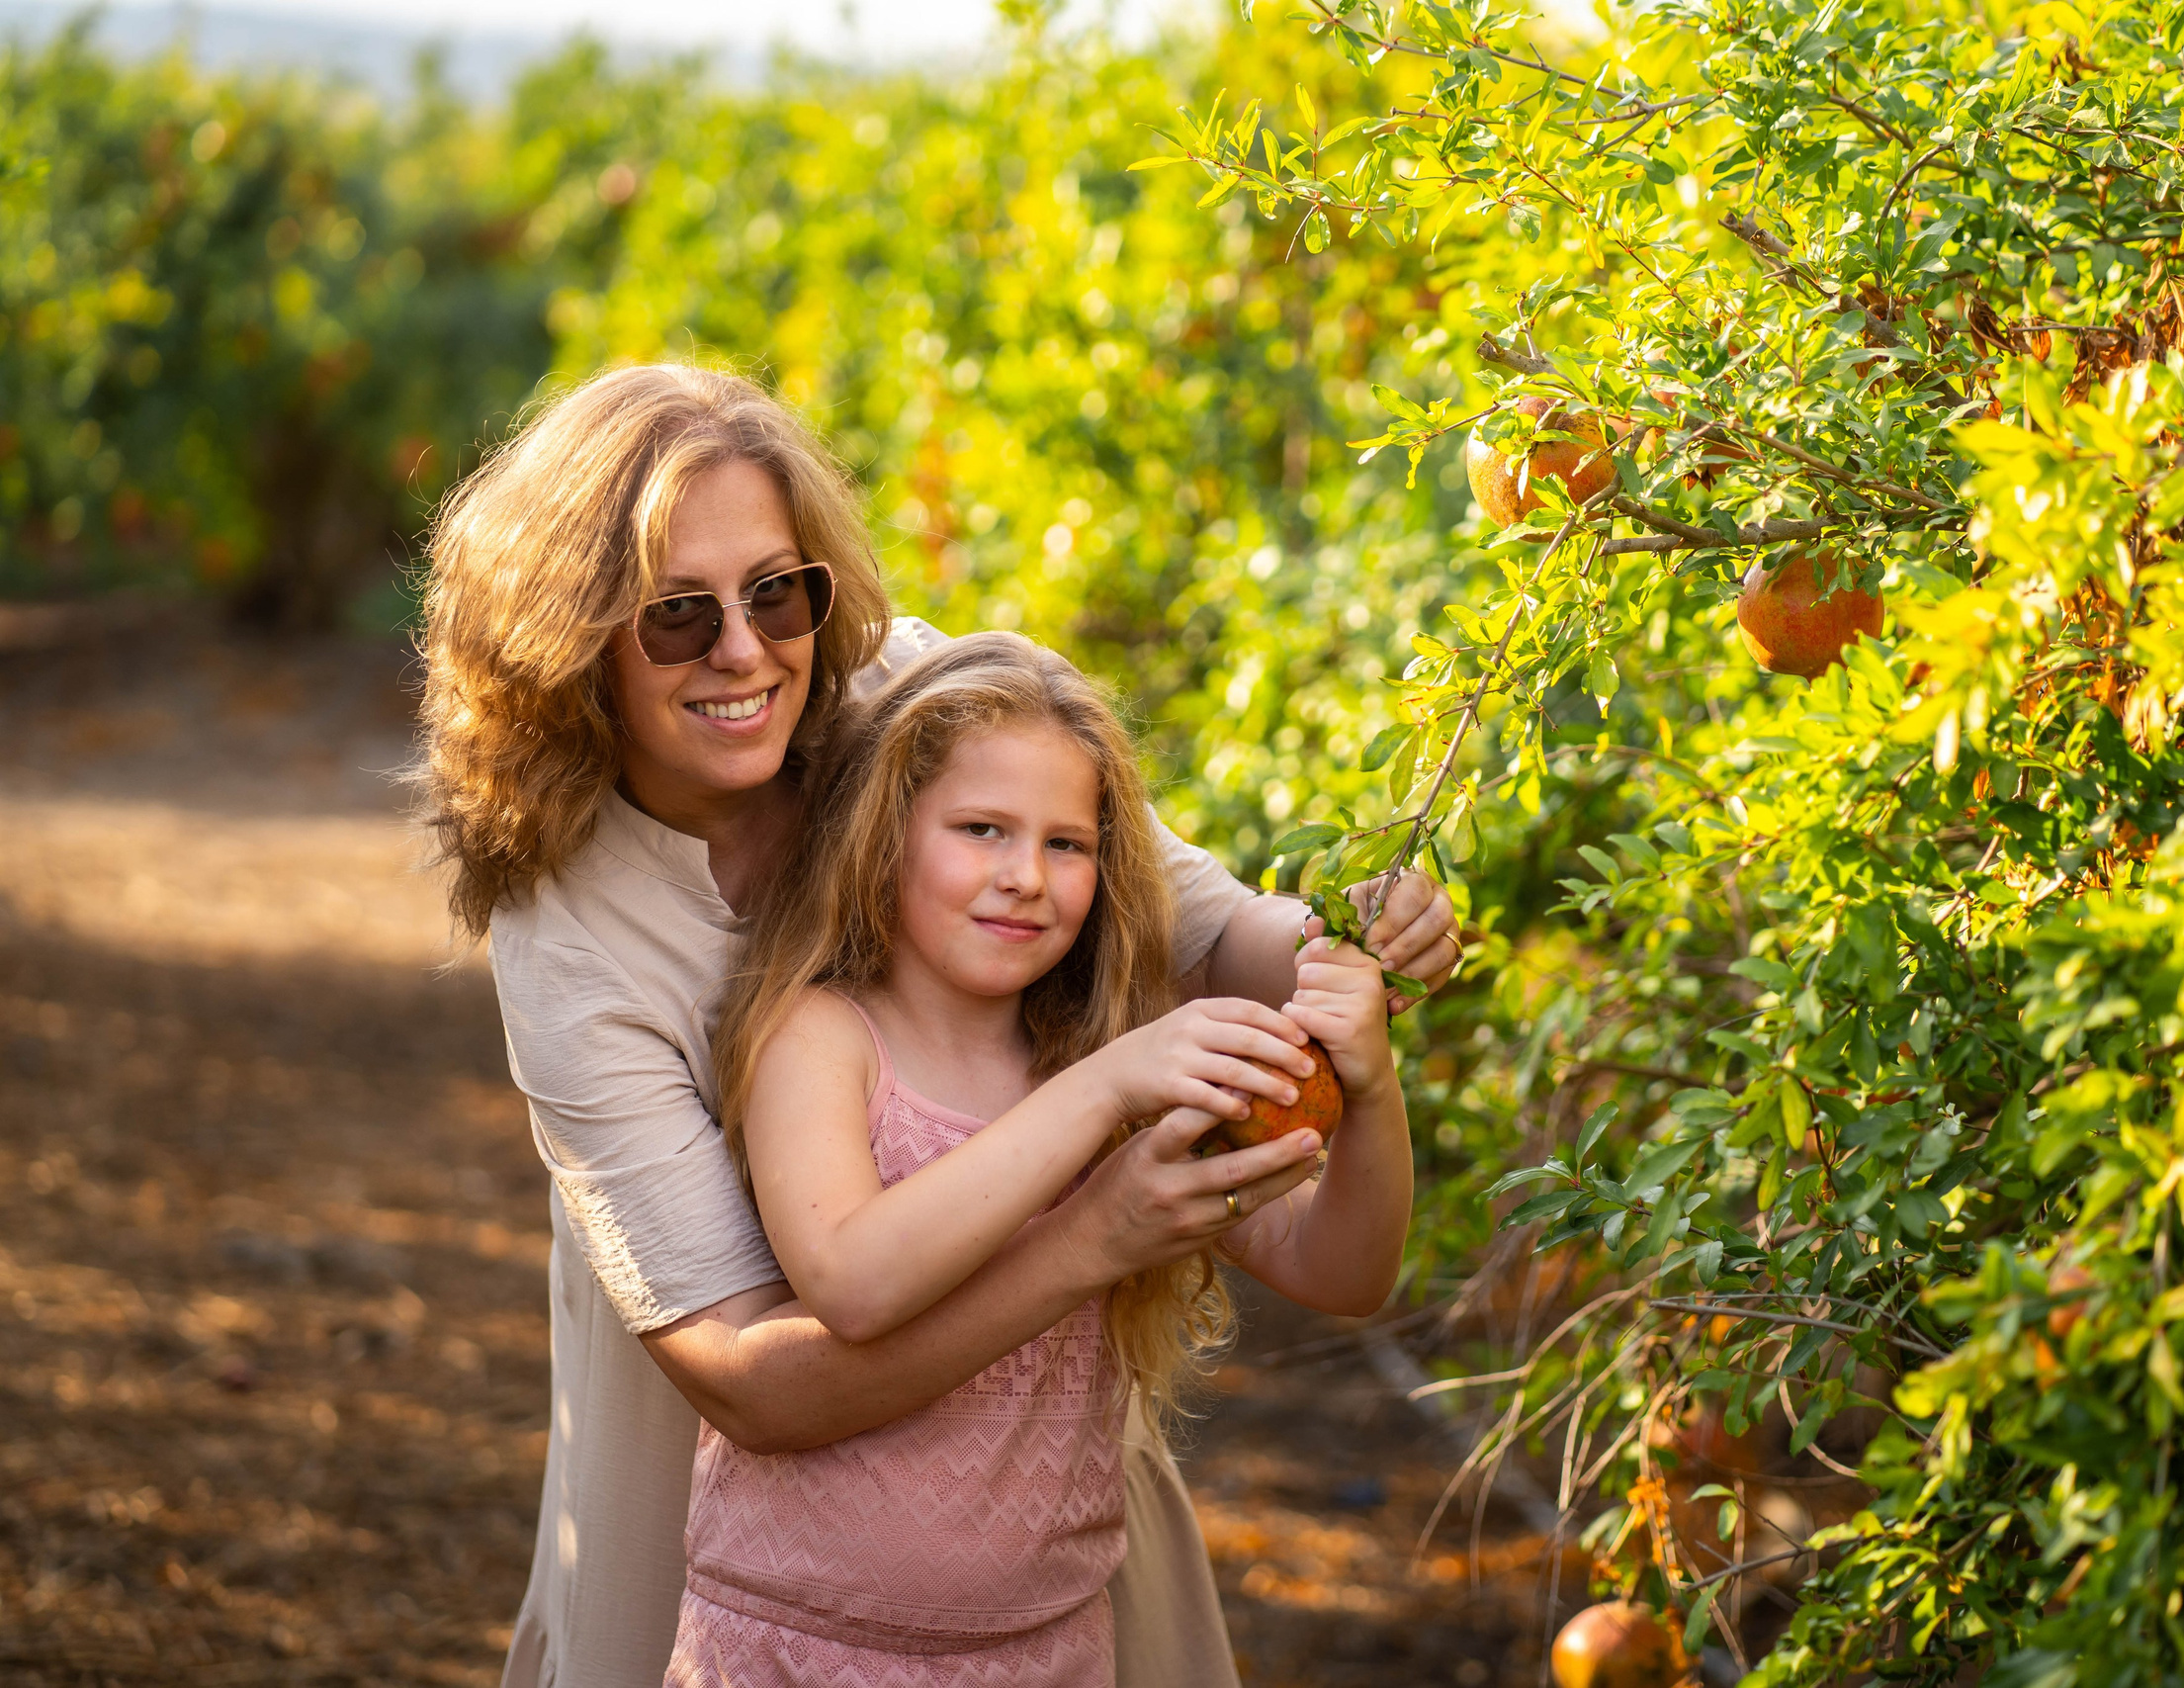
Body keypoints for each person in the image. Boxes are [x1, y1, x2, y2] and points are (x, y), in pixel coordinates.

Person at [409, 363, 1464, 1688]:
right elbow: (751, 1371)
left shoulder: (907, 704)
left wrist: (1339, 951)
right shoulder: (579, 937)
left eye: (779, 591)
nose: (745, 649)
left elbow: (1193, 918)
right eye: (677, 617)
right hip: (748, 1490)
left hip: (1024, 1536)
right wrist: (1099, 1220)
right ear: (569, 636)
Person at [663, 633, 1414, 1684]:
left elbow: (1341, 1272)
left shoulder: (1105, 1048)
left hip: (1042, 1648)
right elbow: (852, 1281)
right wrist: (1104, 1092)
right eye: (981, 830)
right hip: (802, 1646)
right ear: (884, 837)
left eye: (1068, 845)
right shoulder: (823, 1040)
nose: (1025, 878)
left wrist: (1372, 1089)